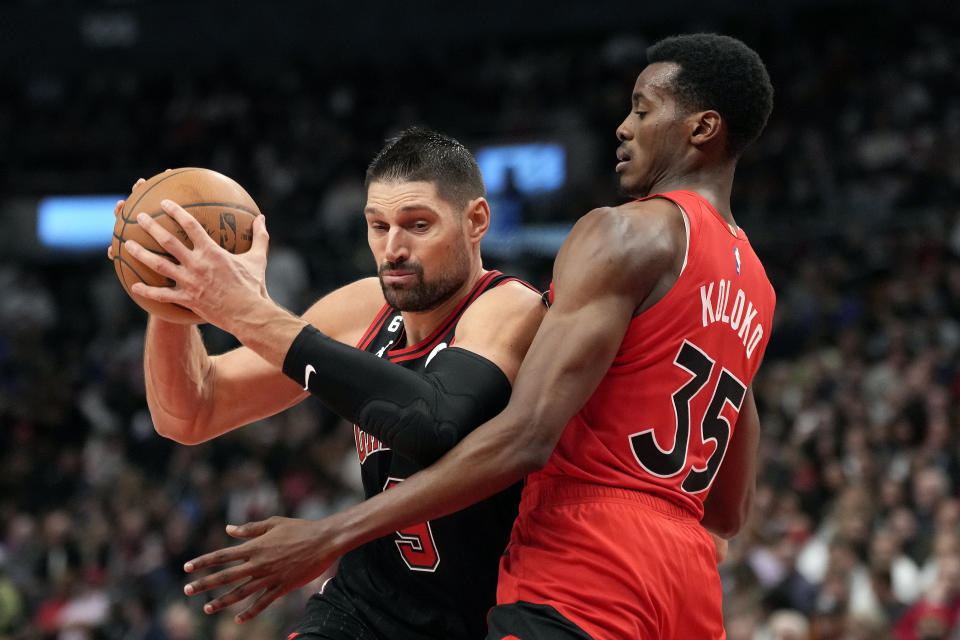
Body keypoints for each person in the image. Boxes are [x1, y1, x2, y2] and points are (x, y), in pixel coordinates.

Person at [164, 33, 776, 638]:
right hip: (687, 571)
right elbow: (726, 510)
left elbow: (521, 436)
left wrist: (330, 532)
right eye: (378, 226)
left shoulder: (619, 237)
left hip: (587, 555)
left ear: (701, 128)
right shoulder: (755, 290)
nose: (622, 126)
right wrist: (169, 289)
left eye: (642, 109)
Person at [115, 127, 546, 639]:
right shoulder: (364, 307)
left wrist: (245, 312)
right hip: (368, 606)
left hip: (484, 612)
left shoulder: (509, 306)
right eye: (378, 226)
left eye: (418, 225)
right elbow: (190, 412)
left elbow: (433, 421)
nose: (394, 248)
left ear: (476, 221)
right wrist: (175, 290)